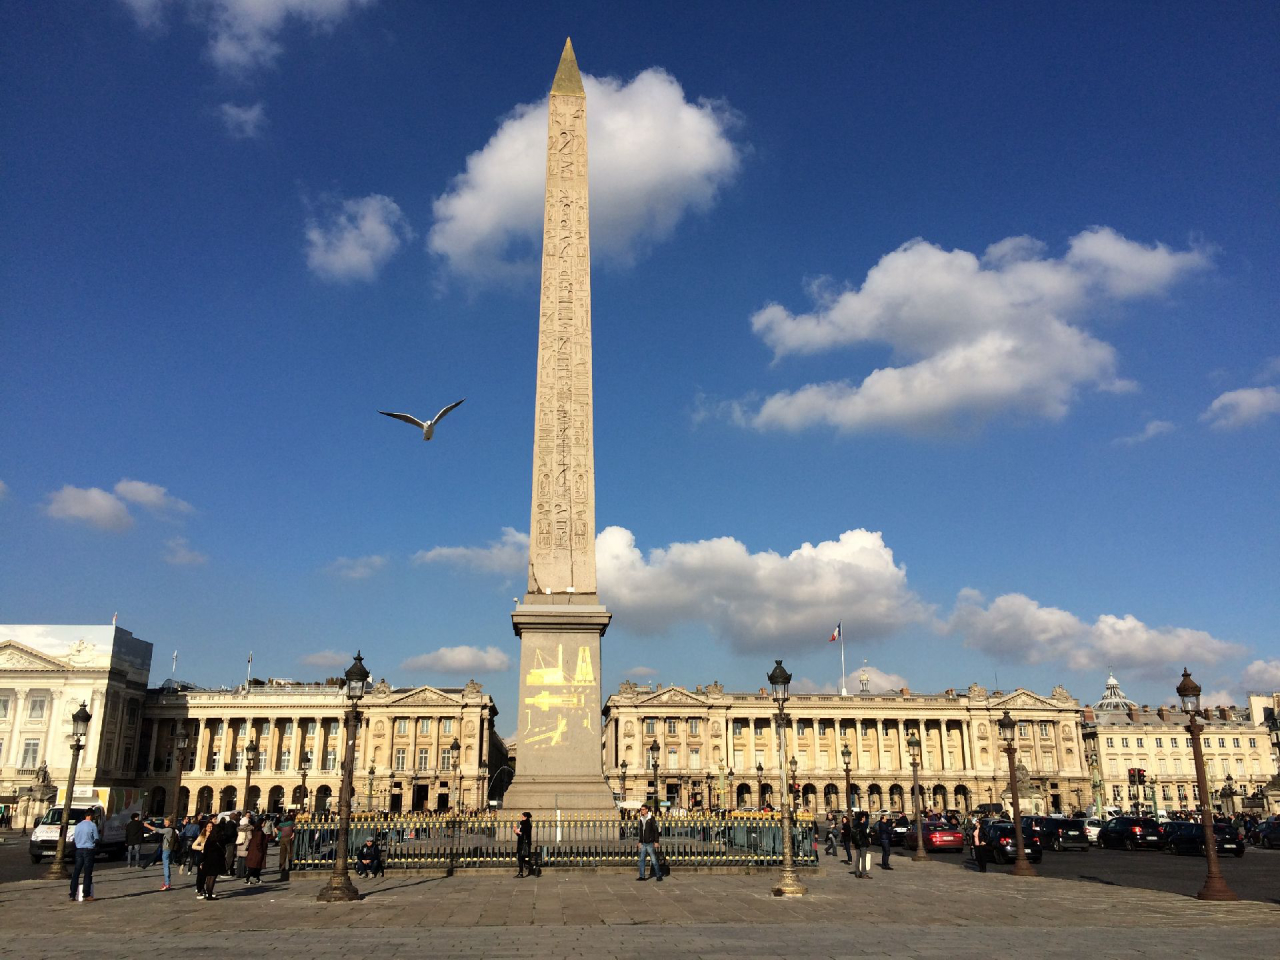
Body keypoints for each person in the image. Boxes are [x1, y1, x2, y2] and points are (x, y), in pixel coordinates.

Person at [69, 810, 99, 902]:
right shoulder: (92, 825)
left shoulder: (78, 825)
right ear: (90, 816)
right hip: (88, 849)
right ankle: (86, 894)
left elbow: (75, 838)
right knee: (87, 873)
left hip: (79, 849)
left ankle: (73, 894)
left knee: (76, 872)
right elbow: (96, 838)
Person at [143, 817, 177, 890]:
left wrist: (148, 826)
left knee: (166, 866)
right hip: (167, 849)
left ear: (169, 822)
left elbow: (159, 830)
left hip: (166, 849)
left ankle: (167, 883)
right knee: (166, 866)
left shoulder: (169, 829)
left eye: (166, 821)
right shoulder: (172, 829)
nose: (164, 823)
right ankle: (167, 882)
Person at [199, 820, 227, 900]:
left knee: (208, 877)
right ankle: (210, 894)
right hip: (216, 860)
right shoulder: (220, 839)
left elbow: (205, 849)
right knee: (213, 877)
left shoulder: (209, 838)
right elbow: (223, 850)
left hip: (208, 859)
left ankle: (208, 893)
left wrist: (202, 860)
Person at [636, 804, 662, 882]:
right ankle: (642, 876)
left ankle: (658, 875)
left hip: (650, 842)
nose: (642, 811)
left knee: (654, 860)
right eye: (641, 809)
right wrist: (640, 841)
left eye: (643, 809)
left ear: (647, 810)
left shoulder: (651, 819)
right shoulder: (641, 819)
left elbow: (655, 831)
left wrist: (656, 841)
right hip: (643, 842)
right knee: (642, 860)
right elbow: (641, 831)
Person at [852, 811, 872, 879]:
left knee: (857, 858)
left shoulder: (855, 825)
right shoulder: (863, 826)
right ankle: (864, 873)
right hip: (863, 843)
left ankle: (857, 873)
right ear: (862, 818)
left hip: (857, 844)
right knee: (863, 859)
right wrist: (870, 835)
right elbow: (865, 835)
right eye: (864, 817)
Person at [514, 812, 533, 879]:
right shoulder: (524, 824)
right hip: (522, 842)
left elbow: (523, 833)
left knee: (521, 858)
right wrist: (516, 831)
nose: (521, 818)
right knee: (522, 858)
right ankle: (523, 871)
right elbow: (520, 833)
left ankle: (522, 872)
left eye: (522, 816)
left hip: (523, 844)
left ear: (525, 817)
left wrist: (516, 831)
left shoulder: (526, 824)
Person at [277, 812, 295, 882]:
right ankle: (290, 866)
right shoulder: (291, 823)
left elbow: (277, 828)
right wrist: (293, 834)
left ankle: (282, 867)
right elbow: (294, 828)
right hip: (288, 838)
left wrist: (279, 834)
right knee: (290, 852)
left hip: (282, 838)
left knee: (282, 853)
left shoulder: (281, 824)